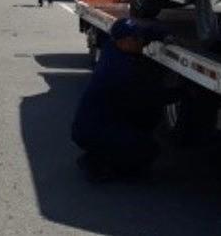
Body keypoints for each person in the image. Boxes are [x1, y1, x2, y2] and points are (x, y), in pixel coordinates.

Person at [72, 18, 171, 183]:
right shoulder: (119, 70)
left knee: (135, 128)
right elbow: (148, 99)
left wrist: (164, 35)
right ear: (124, 41)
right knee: (149, 148)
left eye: (139, 37)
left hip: (95, 124)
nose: (142, 42)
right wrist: (181, 94)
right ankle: (100, 165)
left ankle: (98, 155)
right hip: (91, 131)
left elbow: (147, 32)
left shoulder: (114, 47)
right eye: (137, 38)